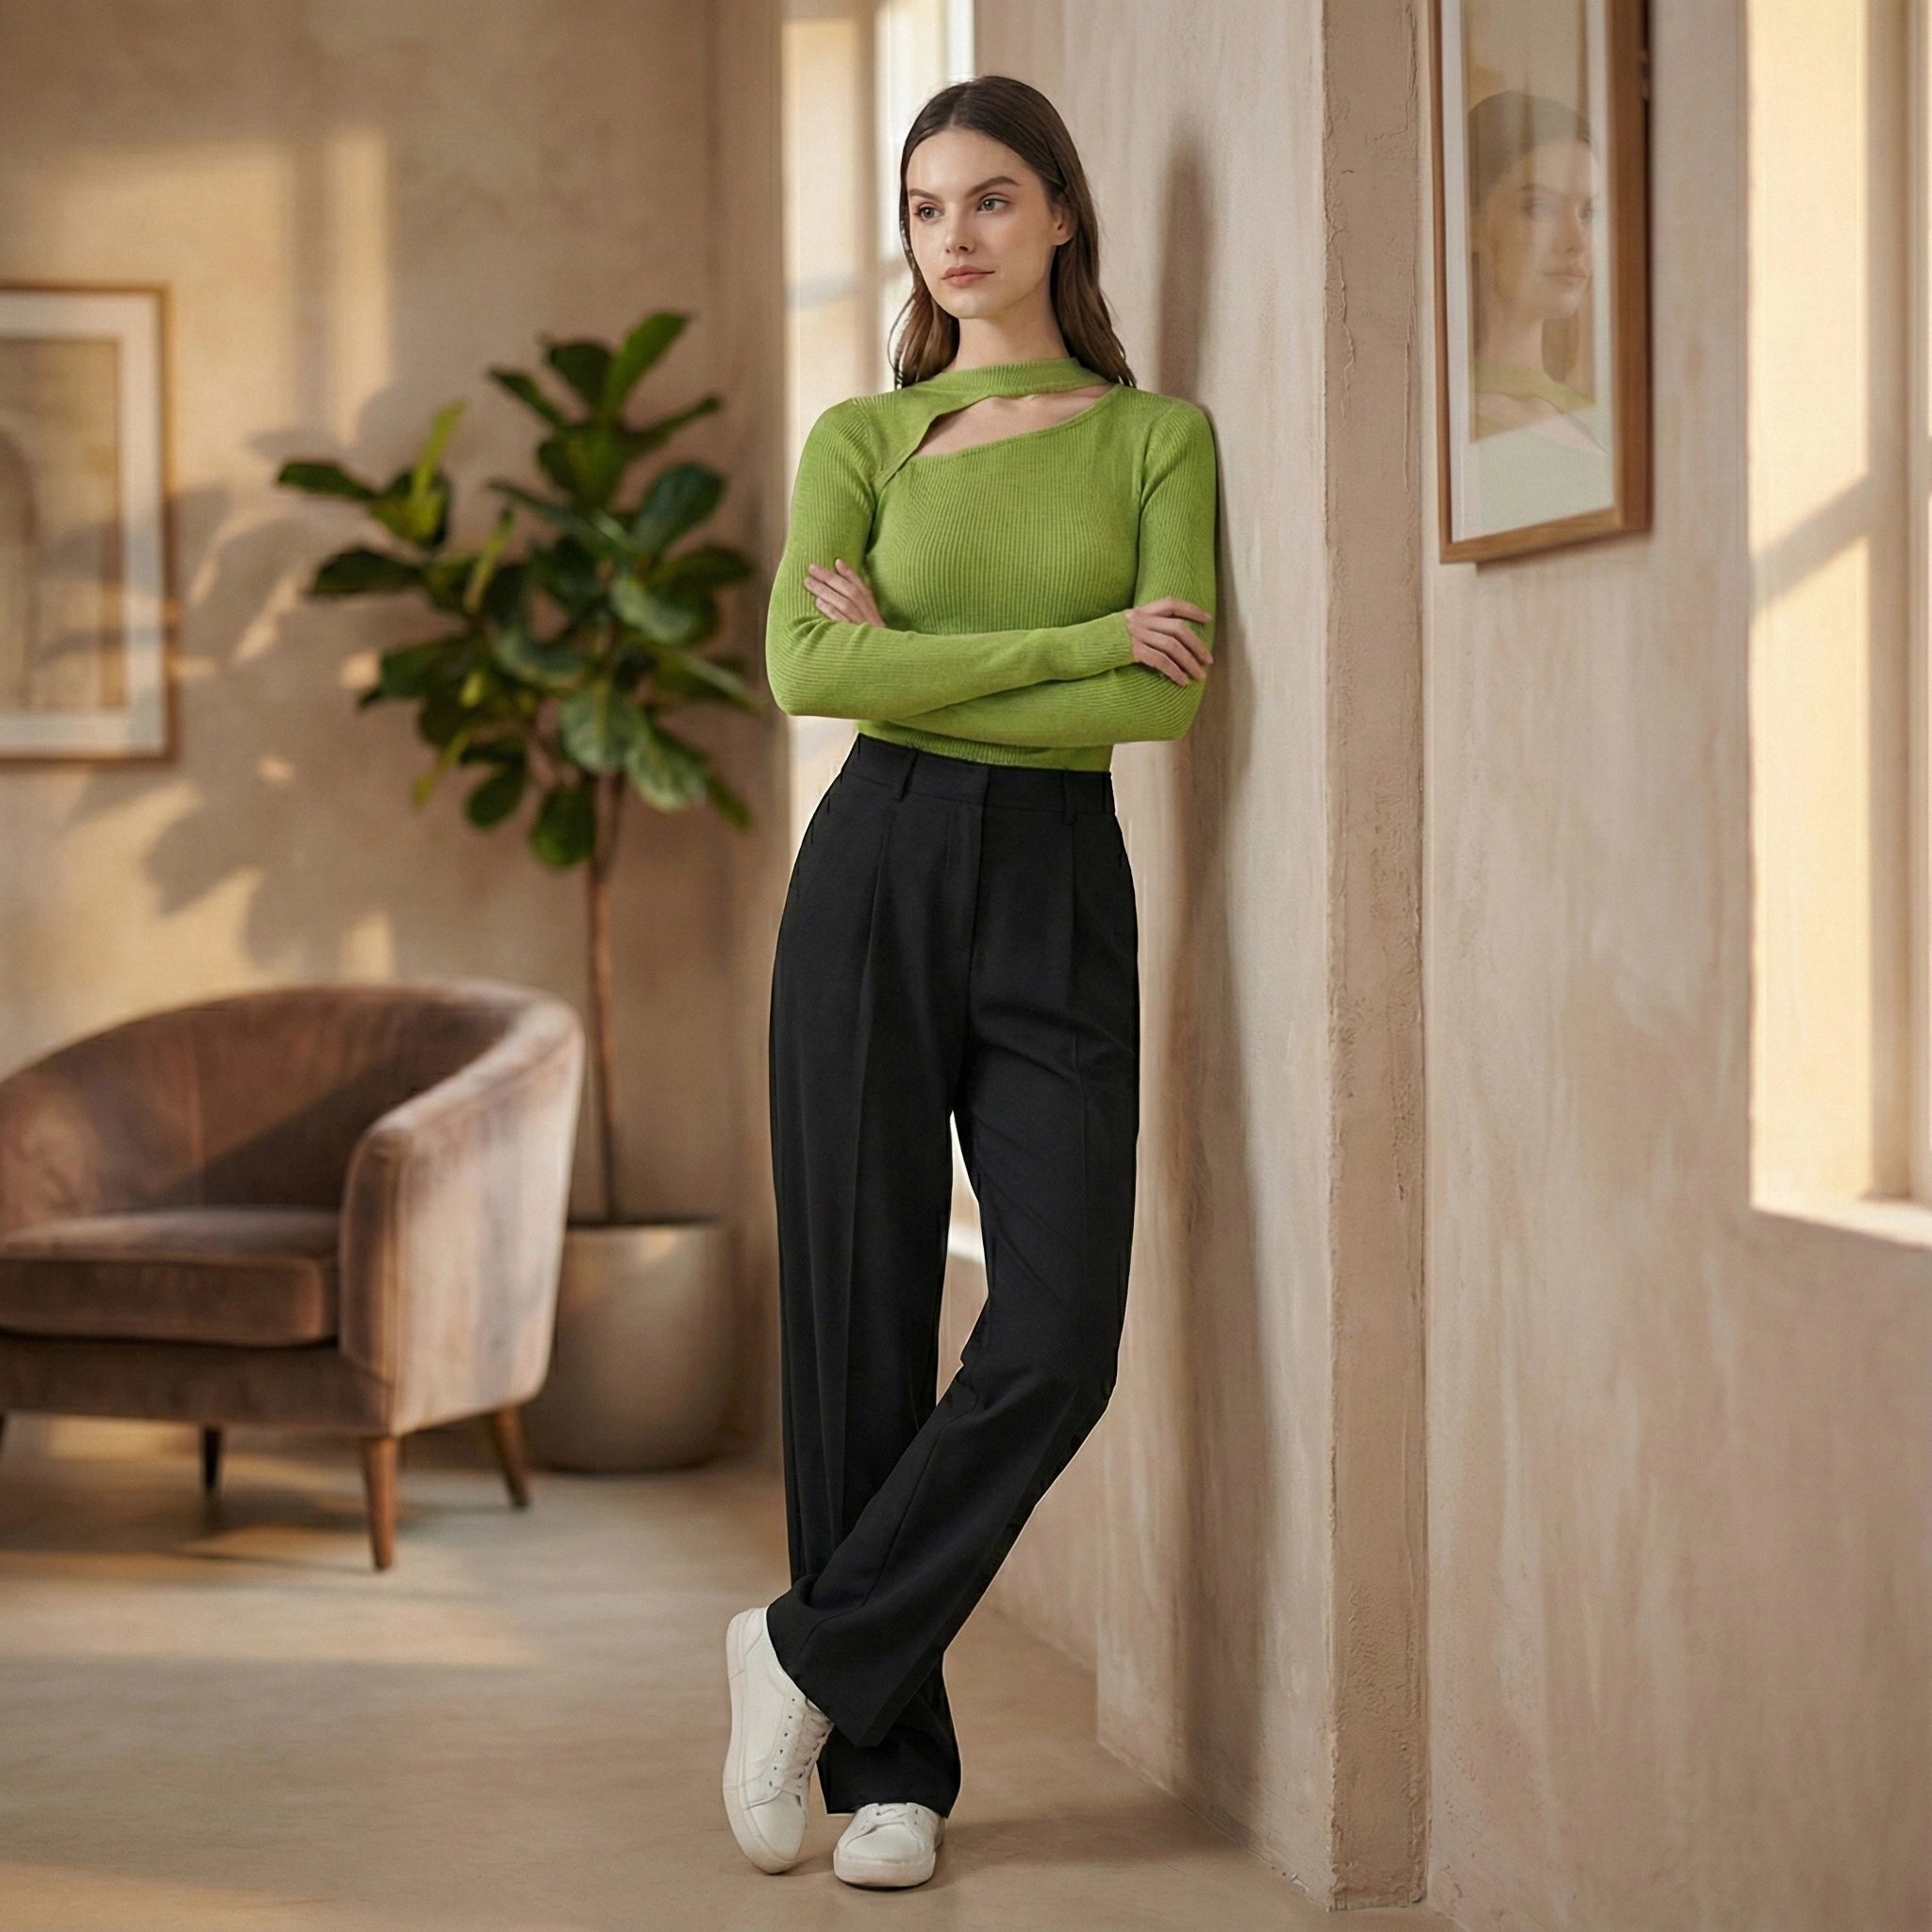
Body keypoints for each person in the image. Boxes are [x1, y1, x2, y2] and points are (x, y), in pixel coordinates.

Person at [721, 72, 1219, 1890]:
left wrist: (919, 654)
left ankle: (801, 1646)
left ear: (1063, 215)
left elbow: (1158, 702)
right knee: (856, 1311)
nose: (960, 235)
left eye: (993, 199)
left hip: (1060, 884)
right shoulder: (860, 436)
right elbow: (801, 674)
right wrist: (1076, 636)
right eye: (929, 208)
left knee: (1057, 1332)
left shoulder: (1158, 437)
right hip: (873, 869)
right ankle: (891, 1774)